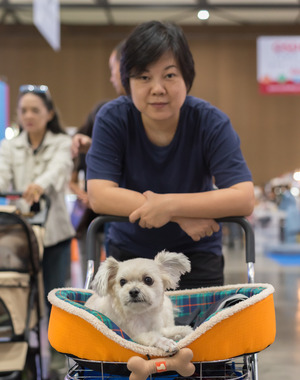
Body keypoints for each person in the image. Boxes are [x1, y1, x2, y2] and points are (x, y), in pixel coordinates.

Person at [86, 21, 255, 289]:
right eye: (143, 77)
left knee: (198, 331)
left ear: (187, 78)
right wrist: (177, 215)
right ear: (127, 82)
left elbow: (244, 196)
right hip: (130, 256)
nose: (157, 88)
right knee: (130, 332)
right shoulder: (112, 118)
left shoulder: (210, 121)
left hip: (196, 255)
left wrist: (170, 206)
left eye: (169, 75)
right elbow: (99, 194)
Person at [0, 84, 75, 305]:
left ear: (49, 113)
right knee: (19, 294)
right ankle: (23, 340)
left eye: (35, 110)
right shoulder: (9, 146)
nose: (28, 116)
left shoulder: (62, 142)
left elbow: (58, 170)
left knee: (56, 298)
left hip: (56, 235)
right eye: (23, 111)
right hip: (22, 234)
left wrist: (38, 186)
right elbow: (2, 176)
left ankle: (55, 341)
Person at [69, 42, 126, 279]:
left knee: (116, 270)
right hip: (89, 213)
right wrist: (85, 195)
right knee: (90, 270)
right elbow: (72, 179)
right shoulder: (81, 145)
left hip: (115, 215)